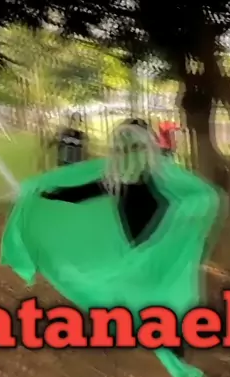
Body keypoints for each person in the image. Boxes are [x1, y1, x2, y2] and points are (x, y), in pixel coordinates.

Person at [39, 118, 185, 359]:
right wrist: (48, 194)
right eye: (124, 148)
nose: (129, 153)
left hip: (161, 243)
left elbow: (182, 198)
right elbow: (84, 191)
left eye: (135, 146)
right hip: (135, 246)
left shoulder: (161, 176)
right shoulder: (119, 179)